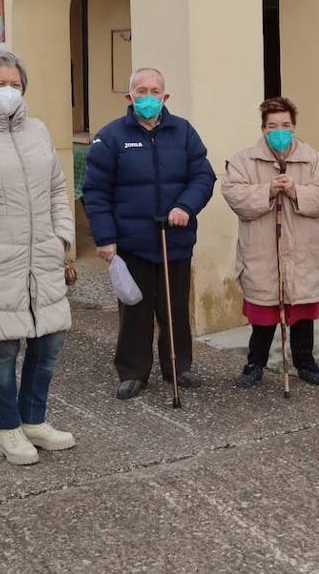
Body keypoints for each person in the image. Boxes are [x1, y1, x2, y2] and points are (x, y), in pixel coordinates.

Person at [0, 49, 77, 463]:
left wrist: (62, 236)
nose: (8, 91)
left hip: (42, 258)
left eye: (15, 84)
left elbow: (59, 188)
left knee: (49, 343)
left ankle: (33, 420)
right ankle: (7, 430)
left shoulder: (38, 131)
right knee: (3, 352)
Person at [82, 67, 217, 400]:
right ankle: (133, 372)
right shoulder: (110, 137)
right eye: (141, 91)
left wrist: (185, 207)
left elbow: (203, 177)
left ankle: (178, 367)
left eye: (155, 91)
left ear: (165, 97)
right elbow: (95, 192)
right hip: (133, 243)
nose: (148, 97)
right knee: (135, 312)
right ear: (130, 97)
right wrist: (105, 238)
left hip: (175, 240)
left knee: (175, 311)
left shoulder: (184, 132)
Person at [222, 97, 319, 388]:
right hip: (262, 250)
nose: (279, 130)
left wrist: (297, 190)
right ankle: (254, 363)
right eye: (273, 126)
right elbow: (235, 196)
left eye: (285, 125)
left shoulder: (313, 160)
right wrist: (268, 191)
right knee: (264, 311)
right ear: (263, 129)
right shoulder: (243, 161)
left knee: (301, 310)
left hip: (303, 250)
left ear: (294, 126)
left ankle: (305, 362)